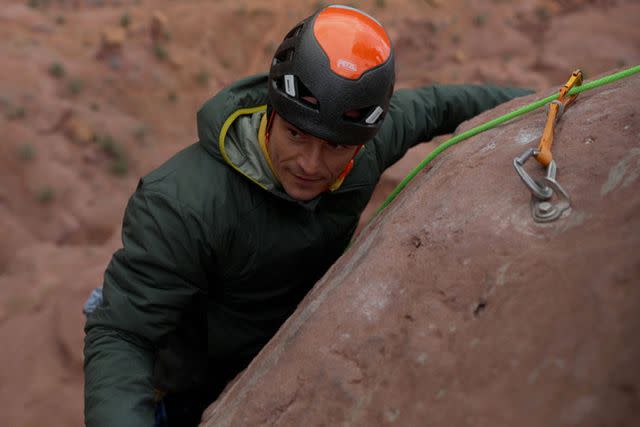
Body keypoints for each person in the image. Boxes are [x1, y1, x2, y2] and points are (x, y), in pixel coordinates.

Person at [83, 5, 531, 426]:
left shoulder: (364, 149)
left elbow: (438, 105)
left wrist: (560, 96)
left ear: (360, 140)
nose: (312, 164)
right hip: (186, 390)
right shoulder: (183, 204)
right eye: (296, 134)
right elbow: (123, 333)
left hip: (279, 361)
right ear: (272, 114)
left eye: (335, 146)